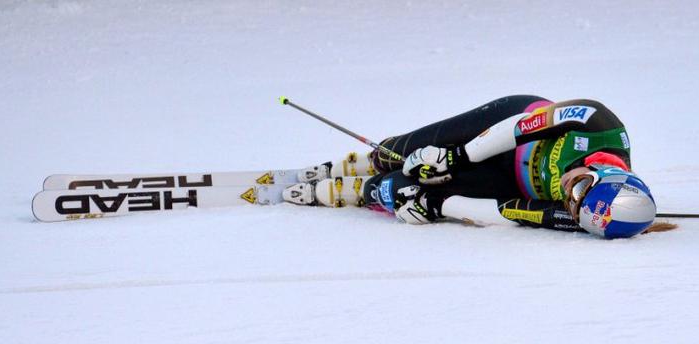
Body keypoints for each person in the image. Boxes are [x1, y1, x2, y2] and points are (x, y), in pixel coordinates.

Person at [284, 95, 672, 238]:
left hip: (508, 181)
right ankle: (358, 163)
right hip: (504, 129)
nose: (568, 193)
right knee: (411, 151)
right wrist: (456, 157)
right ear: (608, 174)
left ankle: (362, 191)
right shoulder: (598, 123)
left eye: (572, 205)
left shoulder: (584, 215)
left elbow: (510, 212)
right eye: (581, 185)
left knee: (409, 191)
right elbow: (519, 128)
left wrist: (441, 205)